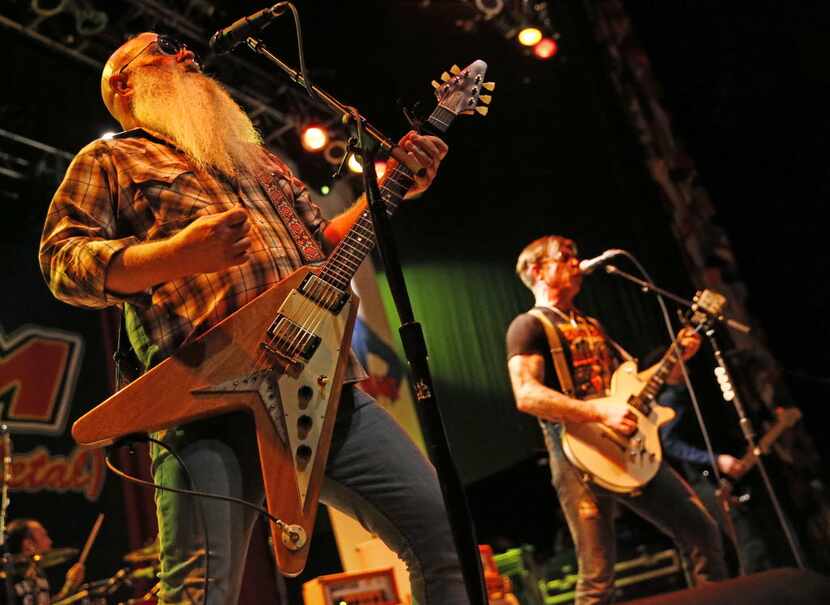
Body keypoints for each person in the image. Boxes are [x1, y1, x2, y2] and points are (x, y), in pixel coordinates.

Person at [39, 32, 465, 605]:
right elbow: (63, 262)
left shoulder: (259, 157)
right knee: (199, 595)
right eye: (162, 46)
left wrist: (394, 187)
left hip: (324, 386)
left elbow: (325, 246)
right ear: (124, 81)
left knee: (447, 543)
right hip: (205, 399)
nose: (186, 51)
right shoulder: (111, 159)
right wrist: (176, 255)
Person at [505, 235, 727, 605]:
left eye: (576, 255)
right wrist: (600, 410)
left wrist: (676, 358)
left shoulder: (591, 324)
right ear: (538, 271)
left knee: (702, 531)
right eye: (566, 256)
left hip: (629, 449)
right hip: (576, 456)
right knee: (597, 576)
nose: (577, 262)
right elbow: (526, 395)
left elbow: (632, 387)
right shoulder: (528, 326)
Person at [651, 357, 773, 574]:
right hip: (701, 478)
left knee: (745, 540)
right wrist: (714, 459)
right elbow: (671, 444)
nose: (685, 364)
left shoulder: (688, 393)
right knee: (743, 539)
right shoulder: (669, 400)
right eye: (678, 362)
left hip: (711, 474)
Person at [2, 518, 85, 604]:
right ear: (28, 544)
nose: (50, 541)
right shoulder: (7, 579)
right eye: (44, 535)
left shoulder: (38, 573)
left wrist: (69, 587)